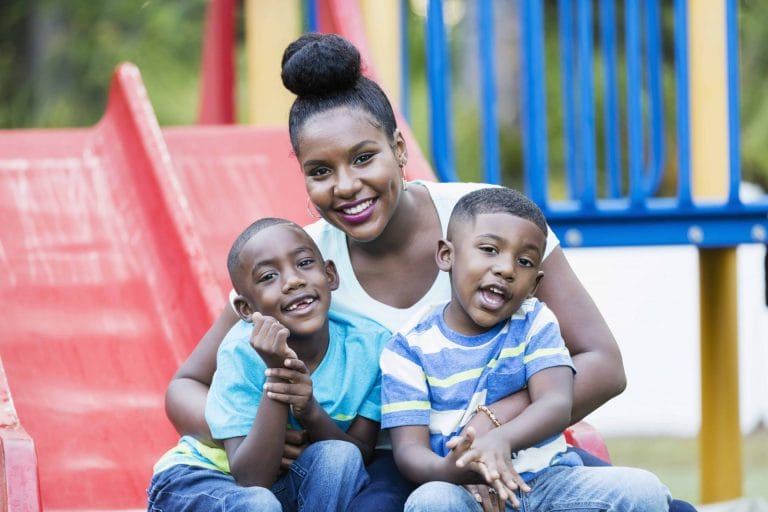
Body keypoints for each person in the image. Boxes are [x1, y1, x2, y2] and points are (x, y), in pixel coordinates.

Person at [163, 32, 695, 511]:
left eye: (364, 158)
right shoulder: (304, 266)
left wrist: (492, 422)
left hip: (507, 445)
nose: (346, 186)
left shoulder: (484, 221)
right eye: (321, 172)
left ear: (398, 149)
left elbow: (602, 363)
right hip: (389, 464)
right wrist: (258, 431)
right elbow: (186, 385)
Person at [381, 186, 672, 511]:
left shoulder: (535, 321)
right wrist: (450, 471)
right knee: (430, 501)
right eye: (490, 249)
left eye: (524, 261)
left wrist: (501, 439)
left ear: (535, 284)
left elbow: (556, 402)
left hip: (546, 483)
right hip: (465, 491)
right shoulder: (408, 346)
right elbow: (409, 451)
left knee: (644, 490)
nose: (507, 269)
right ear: (447, 255)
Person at [147, 217, 390, 511]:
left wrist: (310, 410)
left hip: (283, 486)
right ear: (246, 309)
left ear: (330, 275)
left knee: (341, 456)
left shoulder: (370, 345)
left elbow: (360, 453)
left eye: (303, 264)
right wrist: (278, 375)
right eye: (268, 277)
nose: (293, 281)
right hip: (200, 479)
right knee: (259, 504)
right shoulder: (240, 351)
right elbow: (251, 477)